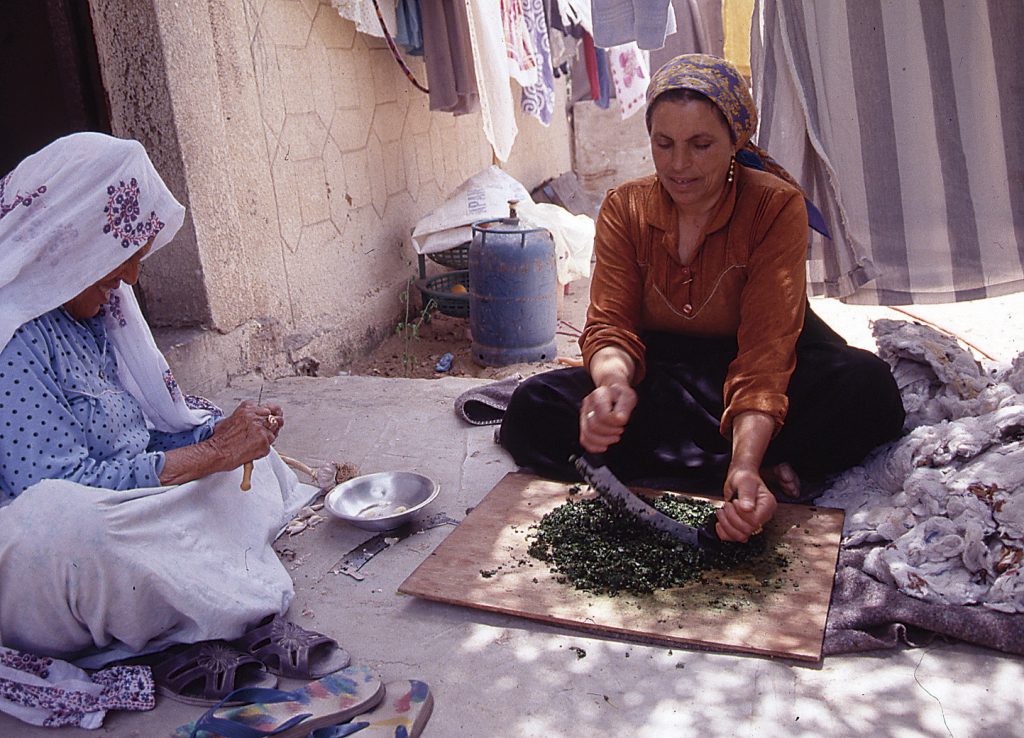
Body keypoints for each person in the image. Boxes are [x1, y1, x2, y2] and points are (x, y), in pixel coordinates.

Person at [499, 54, 905, 543]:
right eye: (663, 144)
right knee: (531, 408)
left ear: (735, 141)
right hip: (664, 374)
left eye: (701, 145)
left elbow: (764, 356)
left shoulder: (775, 206)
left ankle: (732, 469)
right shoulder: (625, 207)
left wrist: (745, 460)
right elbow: (610, 325)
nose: (678, 165)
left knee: (870, 388)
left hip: (761, 367)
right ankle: (754, 473)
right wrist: (612, 387)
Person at [0, 133, 316, 673]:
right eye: (119, 258)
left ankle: (184, 612)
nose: (130, 278)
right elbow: (55, 490)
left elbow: (144, 432)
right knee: (73, 530)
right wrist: (212, 455)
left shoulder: (98, 311)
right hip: (50, 543)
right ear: (68, 244)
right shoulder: (15, 338)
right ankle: (198, 613)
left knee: (250, 471)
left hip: (128, 503)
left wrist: (222, 436)